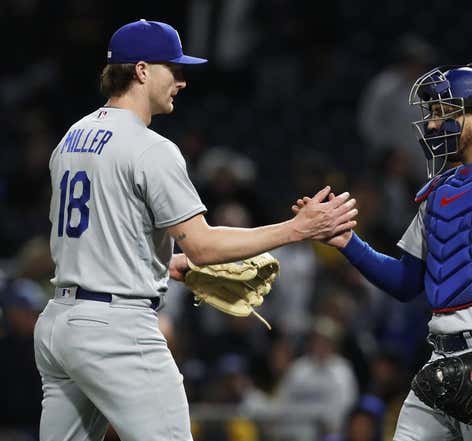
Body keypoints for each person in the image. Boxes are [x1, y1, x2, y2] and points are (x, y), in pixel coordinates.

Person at [33, 19, 357, 441]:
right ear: (143, 70)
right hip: (116, 329)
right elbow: (203, 245)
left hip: (59, 324)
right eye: (175, 68)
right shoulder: (151, 147)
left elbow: (95, 231)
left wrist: (163, 261)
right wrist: (297, 228)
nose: (183, 81)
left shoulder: (72, 137)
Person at [294, 65, 472, 440]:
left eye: (443, 112)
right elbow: (408, 281)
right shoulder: (440, 191)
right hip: (440, 364)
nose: (431, 125)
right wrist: (347, 241)